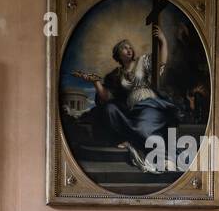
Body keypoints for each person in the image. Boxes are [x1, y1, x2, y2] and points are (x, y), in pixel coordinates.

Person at [73, 25, 181, 173]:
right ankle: (132, 138)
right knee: (110, 109)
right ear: (118, 55)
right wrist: (95, 82)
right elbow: (107, 97)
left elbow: (161, 63)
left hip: (150, 105)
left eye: (130, 47)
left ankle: (163, 157)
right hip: (131, 110)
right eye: (124, 48)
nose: (129, 49)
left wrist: (162, 41)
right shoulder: (116, 75)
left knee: (142, 128)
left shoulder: (143, 62)